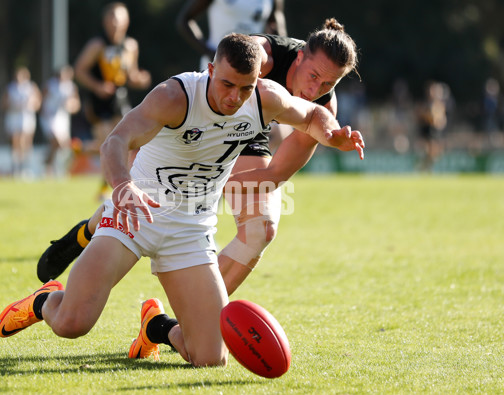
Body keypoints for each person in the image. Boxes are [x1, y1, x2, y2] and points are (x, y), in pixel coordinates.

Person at [0, 33, 364, 368]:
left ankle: (157, 327)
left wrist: (334, 135)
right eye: (227, 84)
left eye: (245, 89)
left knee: (210, 358)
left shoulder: (265, 98)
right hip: (135, 215)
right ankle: (45, 302)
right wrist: (123, 188)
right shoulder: (175, 96)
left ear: (259, 83)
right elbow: (115, 143)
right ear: (209, 70)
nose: (234, 97)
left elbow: (314, 114)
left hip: (191, 230)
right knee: (73, 324)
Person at [36, 19, 359, 298]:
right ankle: (88, 231)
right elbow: (232, 64)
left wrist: (212, 189)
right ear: (299, 56)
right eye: (313, 76)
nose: (316, 88)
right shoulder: (264, 58)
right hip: (215, 111)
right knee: (153, 194)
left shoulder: (322, 110)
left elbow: (275, 174)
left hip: (253, 131)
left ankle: (184, 325)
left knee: (262, 229)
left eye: (329, 84)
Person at [73, 2, 151, 198]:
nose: (115, 23)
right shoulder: (97, 45)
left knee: (124, 142)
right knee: (106, 140)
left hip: (120, 98)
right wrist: (97, 86)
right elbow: (79, 70)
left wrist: (140, 79)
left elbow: (130, 75)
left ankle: (116, 184)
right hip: (99, 102)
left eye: (119, 18)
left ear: (127, 21)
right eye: (112, 18)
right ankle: (106, 186)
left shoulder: (131, 46)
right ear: (105, 21)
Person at [176, 0, 287, 71]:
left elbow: (279, 34)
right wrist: (209, 52)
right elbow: (184, 20)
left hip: (253, 69)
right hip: (215, 68)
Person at [40, 65, 81, 177]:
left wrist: (71, 106)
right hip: (49, 117)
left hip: (62, 118)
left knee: (62, 146)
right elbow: (41, 100)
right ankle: (52, 167)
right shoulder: (50, 85)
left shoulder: (71, 87)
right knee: (57, 142)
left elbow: (76, 105)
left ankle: (48, 164)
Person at [2, 66, 42, 178]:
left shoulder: (31, 87)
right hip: (14, 117)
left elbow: (38, 103)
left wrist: (30, 104)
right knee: (15, 141)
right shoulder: (10, 88)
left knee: (26, 141)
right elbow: (4, 103)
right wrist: (13, 105)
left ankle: (26, 167)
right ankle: (16, 168)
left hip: (26, 117)